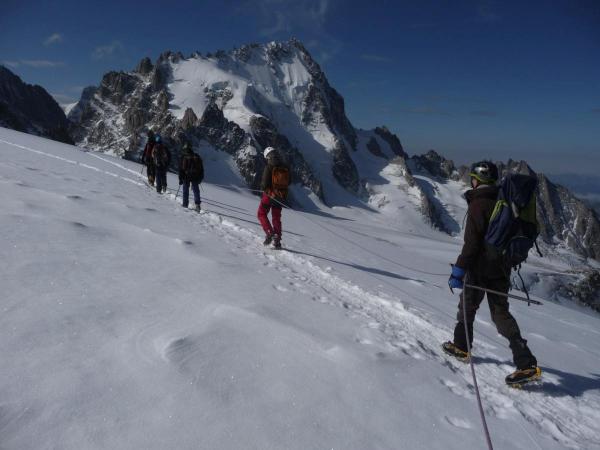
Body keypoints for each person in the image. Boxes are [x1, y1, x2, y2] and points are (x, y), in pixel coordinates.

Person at [442, 161, 540, 385]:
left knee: (467, 306)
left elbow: (471, 244)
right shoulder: (502, 199)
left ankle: (461, 347)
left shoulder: (478, 204)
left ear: (477, 180)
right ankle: (526, 363)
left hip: (479, 268)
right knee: (500, 314)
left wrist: (459, 270)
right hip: (501, 268)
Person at [257, 146, 290, 249]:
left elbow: (264, 184)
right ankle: (277, 240)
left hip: (269, 195)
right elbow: (289, 181)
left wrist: (264, 188)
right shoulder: (285, 166)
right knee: (276, 218)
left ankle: (269, 232)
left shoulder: (269, 166)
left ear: (267, 156)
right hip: (280, 196)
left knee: (261, 213)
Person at [178, 141, 204, 210]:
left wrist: (180, 178)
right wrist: (200, 178)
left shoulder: (183, 156)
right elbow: (201, 169)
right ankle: (197, 204)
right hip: (195, 176)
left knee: (185, 190)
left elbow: (181, 169)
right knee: (196, 190)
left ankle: (185, 204)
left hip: (186, 176)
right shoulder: (196, 156)